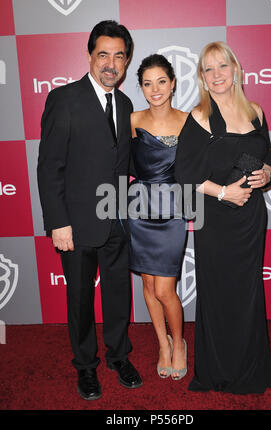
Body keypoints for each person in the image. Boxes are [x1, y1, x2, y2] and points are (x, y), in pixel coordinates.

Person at [37, 20, 142, 401]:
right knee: (80, 299)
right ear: (89, 56)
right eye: (103, 55)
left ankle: (119, 355)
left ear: (127, 61)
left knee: (118, 294)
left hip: (117, 220)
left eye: (118, 56)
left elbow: (126, 162)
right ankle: (85, 366)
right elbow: (49, 167)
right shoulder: (64, 99)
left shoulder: (126, 104)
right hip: (76, 224)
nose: (110, 63)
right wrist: (58, 222)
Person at [174, 41, 271, 394]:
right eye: (208, 69)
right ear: (202, 77)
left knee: (248, 292)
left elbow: (266, 161)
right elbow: (184, 173)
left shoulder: (256, 113)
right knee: (218, 293)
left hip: (250, 220)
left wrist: (266, 175)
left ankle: (250, 367)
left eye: (222, 66)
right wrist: (223, 191)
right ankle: (218, 370)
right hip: (216, 220)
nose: (216, 74)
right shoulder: (200, 116)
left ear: (236, 69)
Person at [128, 54, 188, 380]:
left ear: (173, 83)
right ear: (140, 87)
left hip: (173, 210)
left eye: (161, 81)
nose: (155, 89)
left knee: (165, 289)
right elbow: (111, 158)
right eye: (148, 83)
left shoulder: (188, 120)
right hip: (139, 209)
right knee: (149, 286)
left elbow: (203, 164)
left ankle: (179, 342)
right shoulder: (132, 119)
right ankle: (162, 344)